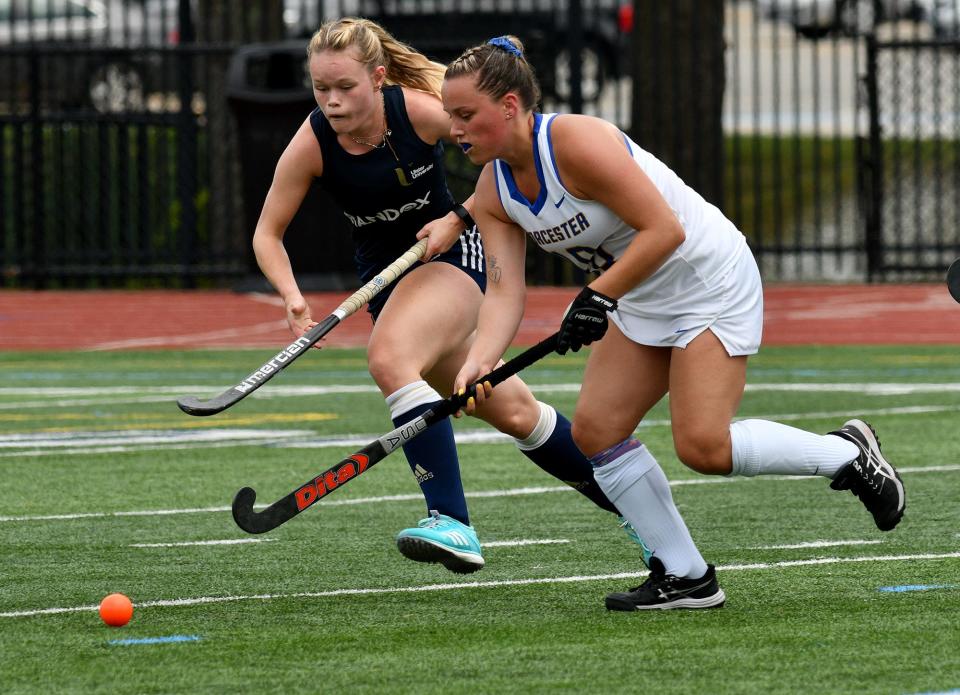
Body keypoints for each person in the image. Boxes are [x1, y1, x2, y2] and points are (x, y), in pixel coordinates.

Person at [444, 36, 906, 610]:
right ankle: (686, 575)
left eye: (466, 115)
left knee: (704, 446)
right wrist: (478, 362)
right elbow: (505, 289)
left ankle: (846, 456)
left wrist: (596, 296)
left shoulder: (575, 143)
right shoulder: (494, 189)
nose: (456, 129)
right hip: (642, 296)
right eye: (451, 117)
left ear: (510, 105)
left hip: (706, 281)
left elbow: (665, 230)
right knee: (596, 432)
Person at [251, 18, 661, 580]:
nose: (332, 101)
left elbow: (498, 144)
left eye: (345, 87)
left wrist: (460, 214)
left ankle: (450, 519)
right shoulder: (314, 141)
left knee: (390, 359)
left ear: (377, 78)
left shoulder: (418, 111)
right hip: (390, 284)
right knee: (517, 413)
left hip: (454, 259)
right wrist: (294, 300)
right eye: (321, 89)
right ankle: (648, 521)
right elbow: (267, 233)